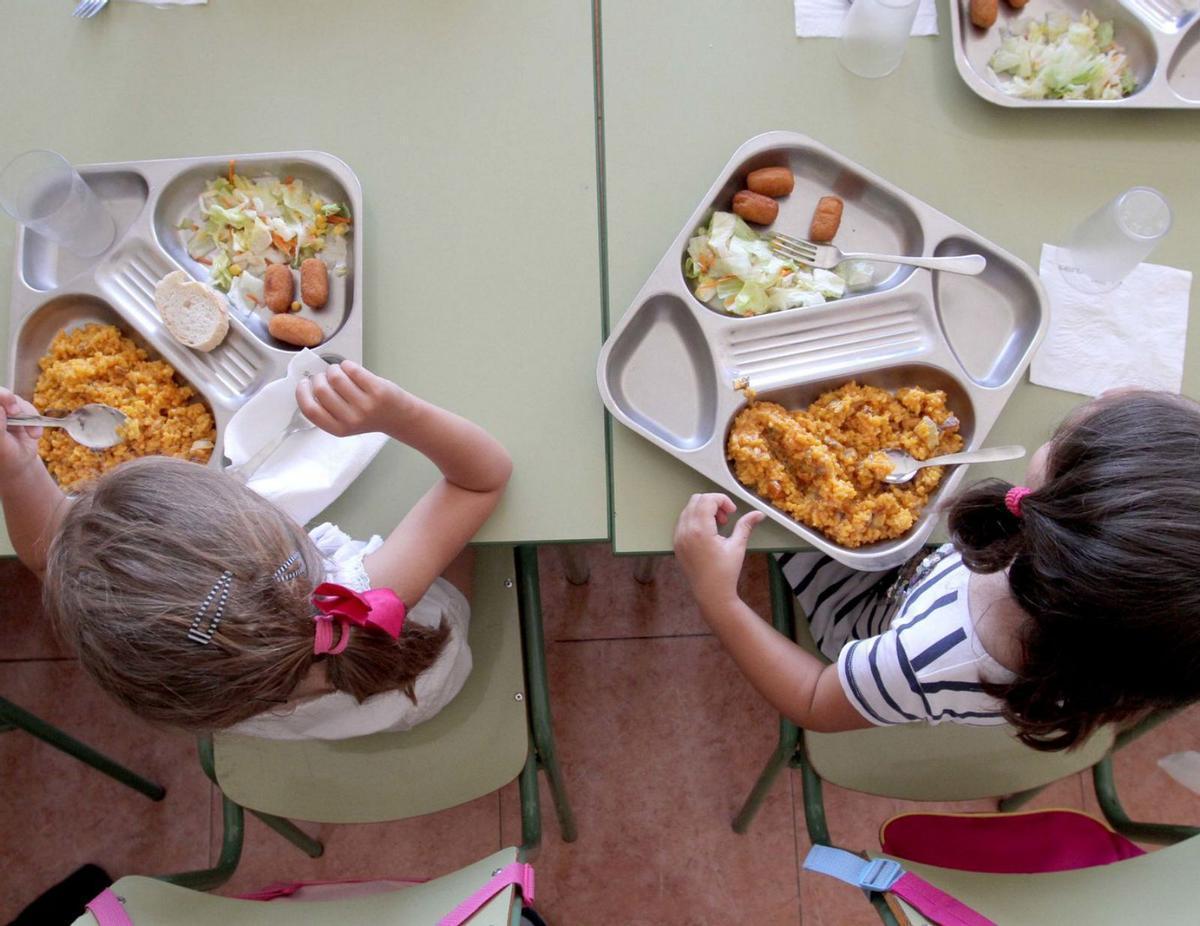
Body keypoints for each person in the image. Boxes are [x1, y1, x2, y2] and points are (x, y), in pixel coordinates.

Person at [0, 360, 511, 739]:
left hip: (333, 719)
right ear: (285, 527)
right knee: (464, 559)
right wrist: (399, 415)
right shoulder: (366, 595)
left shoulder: (199, 686)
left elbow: (50, 559)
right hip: (427, 681)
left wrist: (19, 471)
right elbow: (480, 481)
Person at [673, 390, 1200, 750]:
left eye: (1070, 442)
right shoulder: (1115, 625)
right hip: (929, 576)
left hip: (867, 613)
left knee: (789, 525)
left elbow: (813, 699)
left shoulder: (932, 658)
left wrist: (719, 599)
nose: (1103, 398)